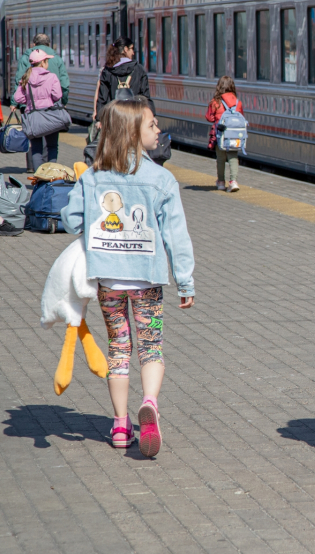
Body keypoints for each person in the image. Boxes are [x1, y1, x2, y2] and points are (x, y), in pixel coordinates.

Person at [61, 96, 196, 457]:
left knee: (118, 348)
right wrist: (185, 281)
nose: (158, 130)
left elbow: (70, 220)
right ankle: (149, 402)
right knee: (151, 348)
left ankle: (121, 425)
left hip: (107, 281)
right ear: (134, 132)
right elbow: (176, 237)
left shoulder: (92, 176)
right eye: (152, 125)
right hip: (147, 281)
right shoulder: (162, 178)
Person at [14, 49, 65, 171]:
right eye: (47, 61)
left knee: (36, 149)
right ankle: (51, 176)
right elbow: (57, 95)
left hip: (33, 117)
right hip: (50, 115)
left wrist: (30, 101)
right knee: (52, 146)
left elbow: (18, 97)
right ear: (42, 63)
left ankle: (39, 179)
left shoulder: (26, 77)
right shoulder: (52, 77)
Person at [96, 38, 151, 120]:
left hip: (114, 118)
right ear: (125, 49)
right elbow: (145, 96)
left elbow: (103, 98)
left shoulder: (107, 71)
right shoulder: (139, 70)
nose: (133, 53)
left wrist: (99, 119)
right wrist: (151, 115)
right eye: (131, 49)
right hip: (135, 117)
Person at [204, 75, 242, 192]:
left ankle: (221, 182)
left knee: (220, 158)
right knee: (233, 157)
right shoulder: (237, 102)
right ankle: (233, 182)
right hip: (234, 134)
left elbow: (209, 118)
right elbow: (241, 117)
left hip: (220, 134)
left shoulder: (215, 102)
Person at [15, 33, 69, 108]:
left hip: (31, 111)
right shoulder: (53, 74)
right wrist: (63, 102)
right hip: (50, 110)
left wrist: (28, 101)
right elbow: (63, 86)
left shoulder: (26, 74)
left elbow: (18, 89)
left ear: (34, 44)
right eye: (47, 61)